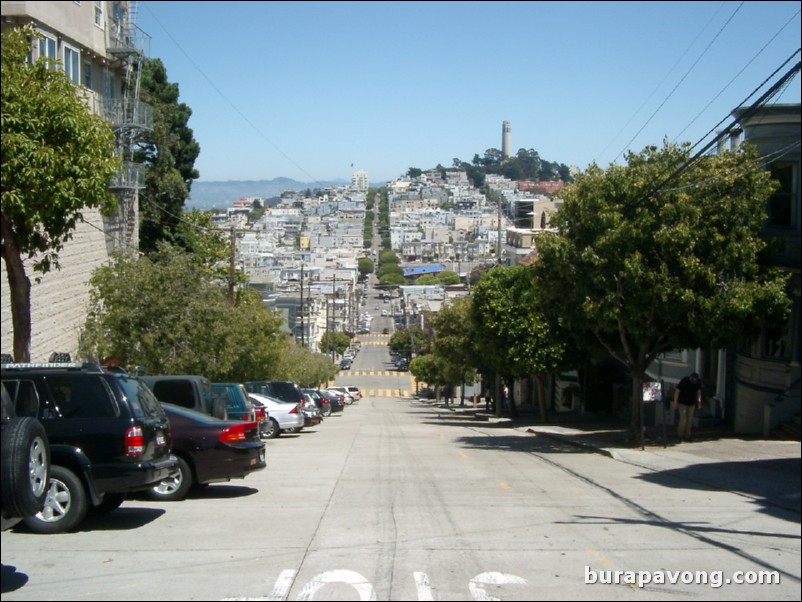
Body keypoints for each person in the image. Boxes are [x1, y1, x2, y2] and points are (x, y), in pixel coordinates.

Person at [673, 372, 702, 441]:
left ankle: (687, 435)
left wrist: (699, 401)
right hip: (682, 402)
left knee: (690, 419)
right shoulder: (684, 381)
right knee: (683, 419)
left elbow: (699, 392)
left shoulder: (698, 382)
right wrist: (675, 402)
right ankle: (680, 434)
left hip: (692, 403)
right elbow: (677, 391)